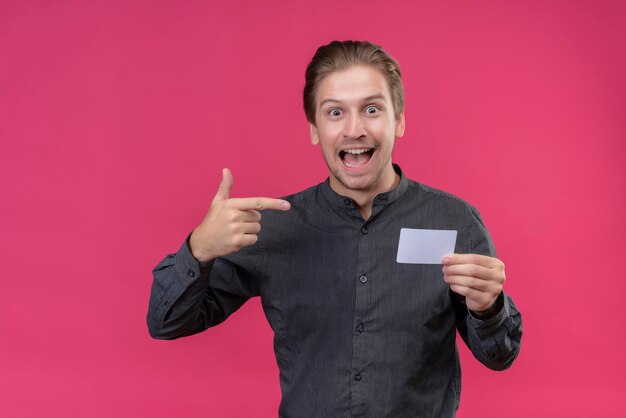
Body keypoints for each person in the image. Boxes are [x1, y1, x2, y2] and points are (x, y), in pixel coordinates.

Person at [147, 40, 522, 417]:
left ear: (399, 121)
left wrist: (488, 307)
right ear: (314, 129)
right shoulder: (275, 227)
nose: (354, 129)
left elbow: (500, 355)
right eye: (335, 112)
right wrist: (199, 248)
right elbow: (166, 323)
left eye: (372, 109)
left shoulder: (454, 222)